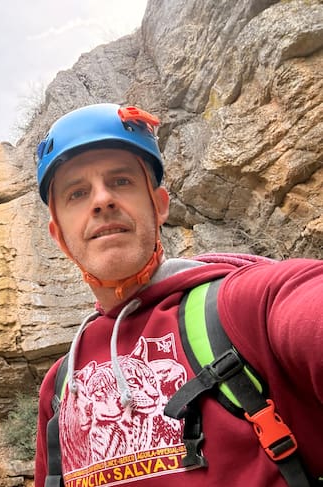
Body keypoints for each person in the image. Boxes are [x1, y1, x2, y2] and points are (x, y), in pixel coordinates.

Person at [33, 103, 323, 486]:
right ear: (58, 236)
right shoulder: (59, 387)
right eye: (77, 193)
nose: (101, 200)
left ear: (159, 205)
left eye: (121, 181)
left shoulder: (246, 305)